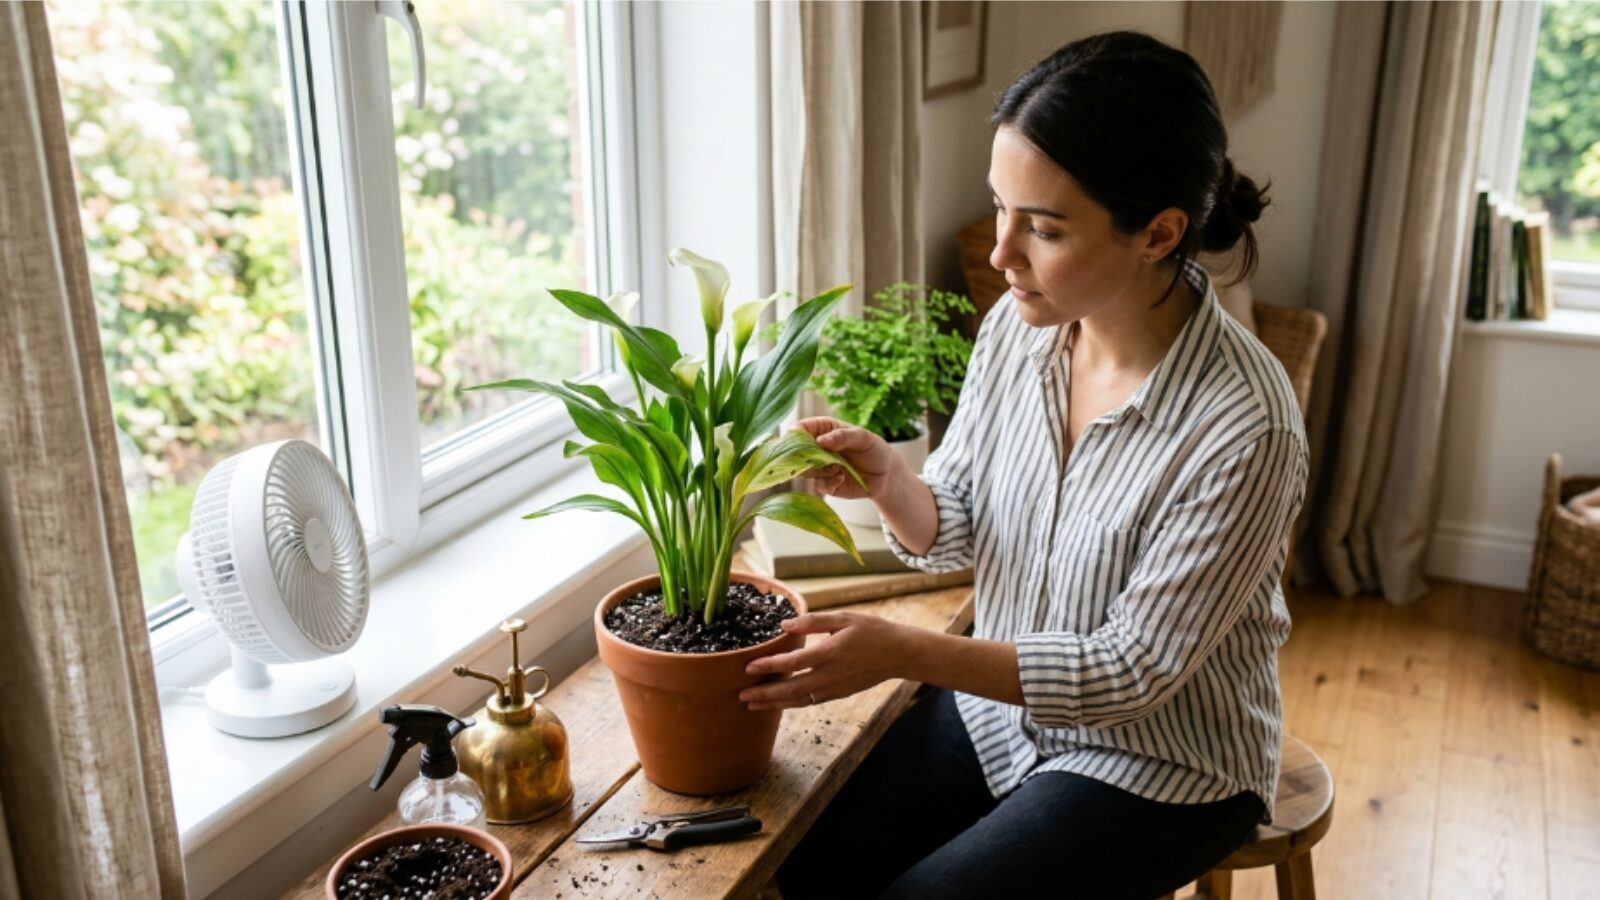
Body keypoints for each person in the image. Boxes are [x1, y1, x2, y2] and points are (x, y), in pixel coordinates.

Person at [740, 31, 1310, 900]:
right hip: (1004, 717)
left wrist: (906, 652)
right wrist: (892, 483)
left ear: (1158, 233)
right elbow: (961, 519)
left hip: (1163, 762)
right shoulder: (1021, 326)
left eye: (1042, 228)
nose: (1003, 253)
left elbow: (1129, 672)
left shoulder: (1247, 427)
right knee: (805, 865)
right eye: (999, 207)